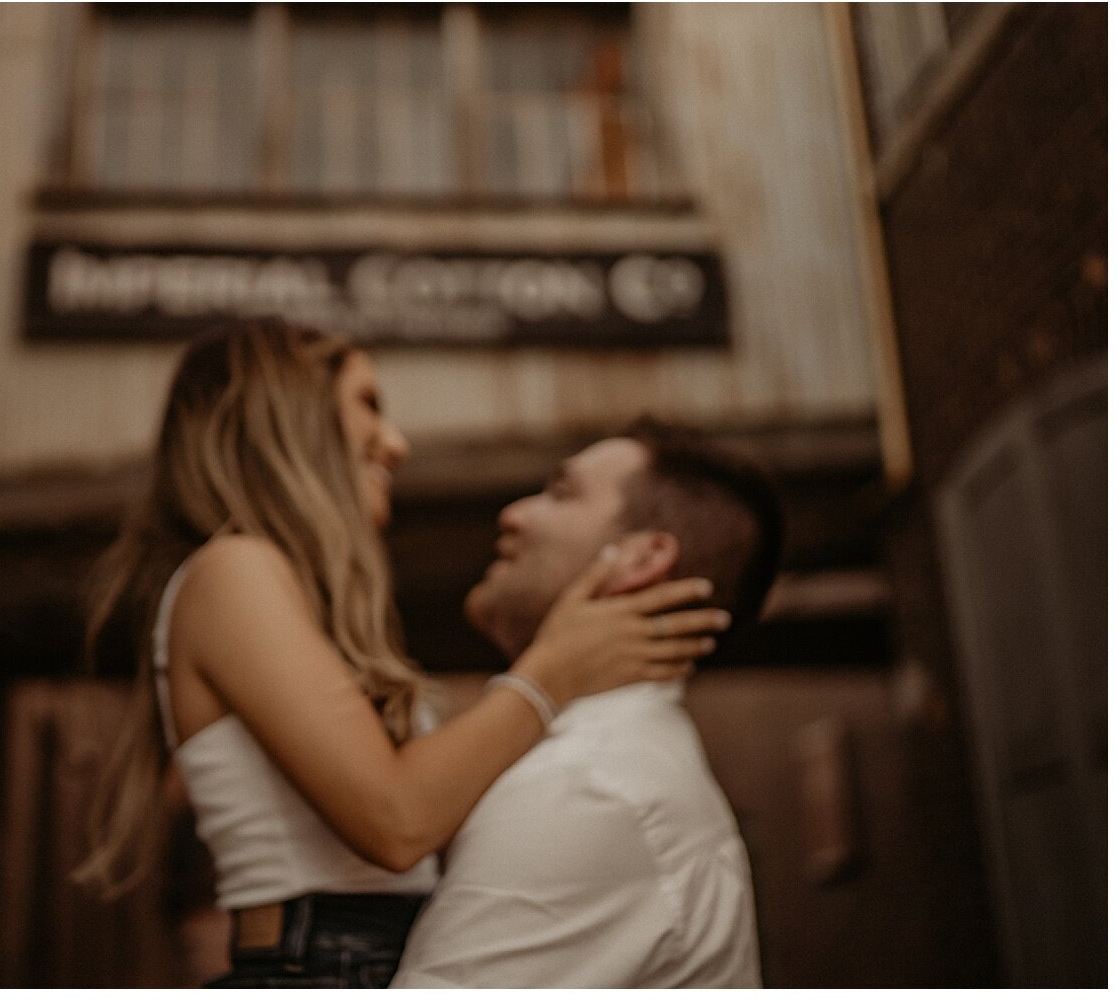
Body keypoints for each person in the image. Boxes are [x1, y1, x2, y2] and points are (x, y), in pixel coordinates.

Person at [72, 322, 730, 987]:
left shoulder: (289, 594)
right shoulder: (231, 570)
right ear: (291, 414)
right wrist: (554, 666)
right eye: (368, 404)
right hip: (314, 967)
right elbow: (397, 820)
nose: (397, 443)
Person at [392, 425, 783, 988]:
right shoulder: (622, 763)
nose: (514, 513)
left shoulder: (585, 783)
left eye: (561, 493)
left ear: (641, 558)